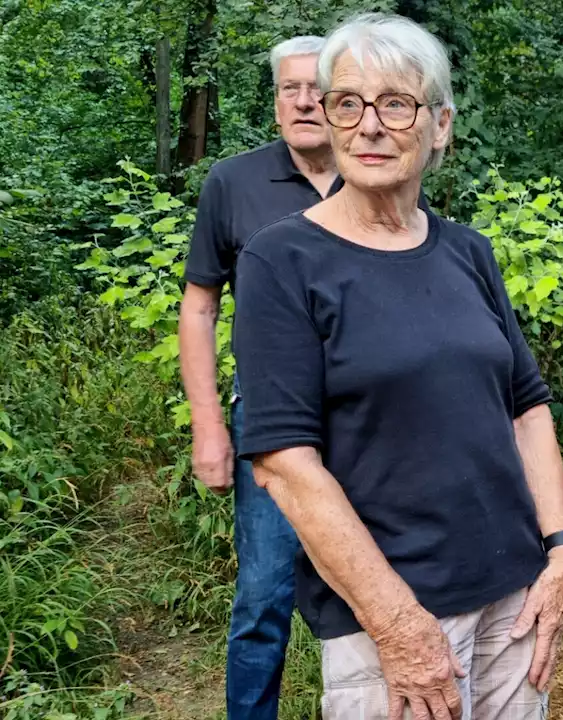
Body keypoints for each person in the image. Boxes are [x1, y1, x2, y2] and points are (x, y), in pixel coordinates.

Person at [231, 13, 563, 720]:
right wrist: (398, 625)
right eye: (348, 103)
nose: (369, 126)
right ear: (328, 118)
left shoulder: (467, 252)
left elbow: (527, 407)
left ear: (441, 125)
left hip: (514, 602)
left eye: (396, 104)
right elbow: (283, 464)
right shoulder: (282, 261)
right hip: (393, 615)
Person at [177, 34, 337, 720]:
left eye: (319, 89)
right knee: (264, 596)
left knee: (379, 591)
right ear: (274, 102)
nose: (304, 101)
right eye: (288, 89)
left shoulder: (376, 172)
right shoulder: (233, 182)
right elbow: (200, 304)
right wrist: (209, 425)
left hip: (371, 426)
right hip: (270, 424)